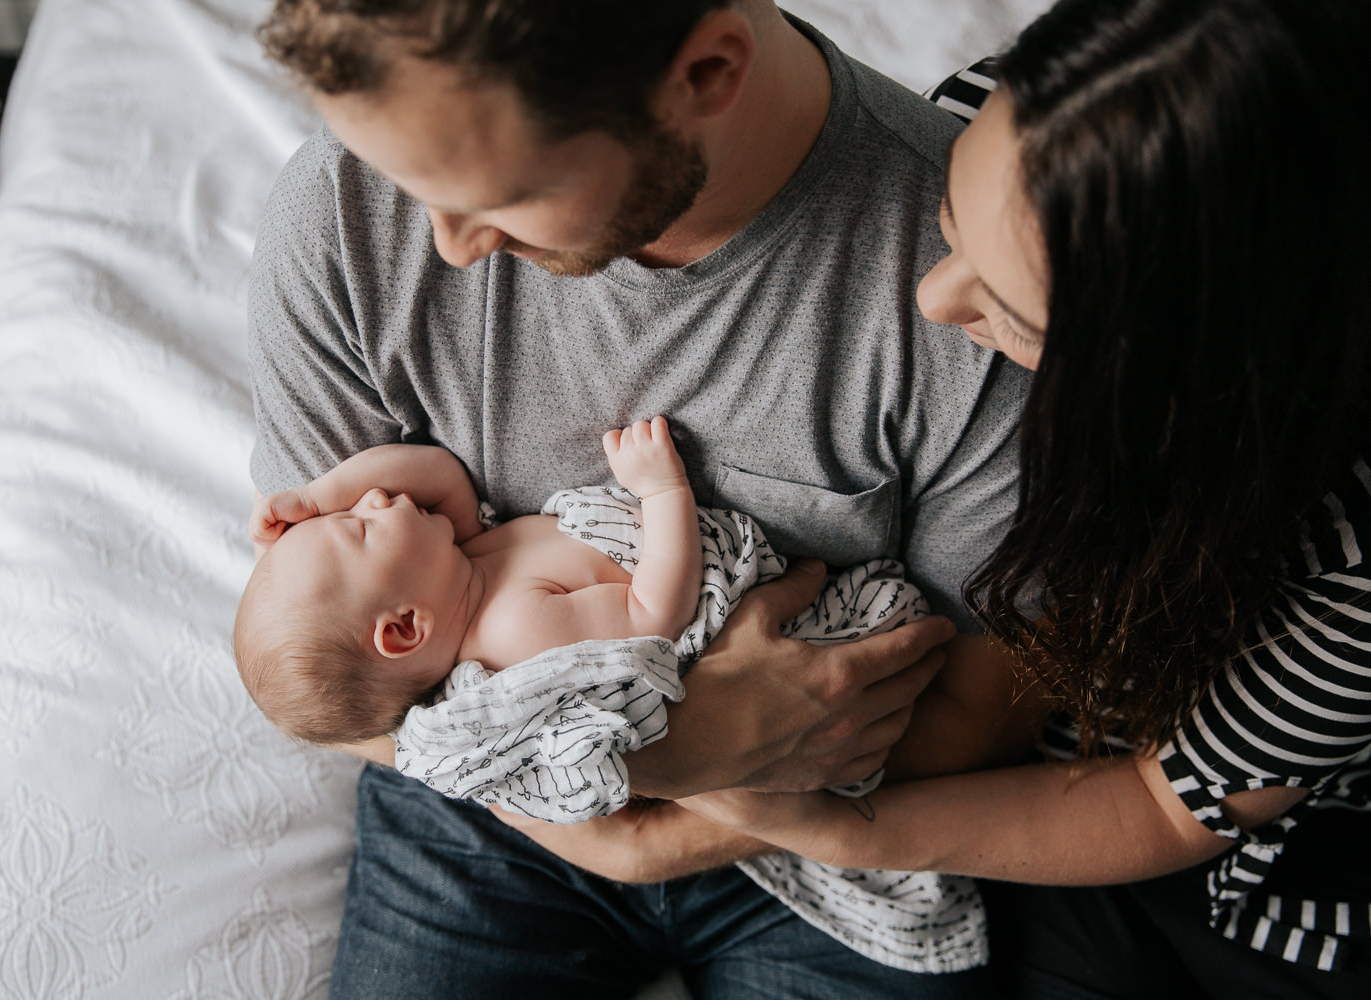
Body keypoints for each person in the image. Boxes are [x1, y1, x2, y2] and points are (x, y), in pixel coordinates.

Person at [565, 0, 1368, 996]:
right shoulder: (1022, 124)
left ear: (1203, 388)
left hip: (1228, 867)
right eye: (949, 217)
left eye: (1017, 315)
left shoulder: (1345, 580)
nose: (932, 299)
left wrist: (834, 828)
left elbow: (1160, 809)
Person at [246, 0, 1031, 994]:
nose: (443, 245)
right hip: (488, 792)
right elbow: (326, 670)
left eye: (505, 195)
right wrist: (652, 775)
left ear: (706, 73)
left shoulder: (977, 287)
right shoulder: (351, 204)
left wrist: (716, 792)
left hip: (824, 811)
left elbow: (988, 701)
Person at [234, 418, 702, 748]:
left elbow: (439, 475)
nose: (371, 497)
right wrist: (663, 490)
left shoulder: (462, 567)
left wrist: (313, 497)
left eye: (349, 508)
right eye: (361, 528)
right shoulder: (515, 631)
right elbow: (656, 616)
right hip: (692, 567)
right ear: (405, 627)